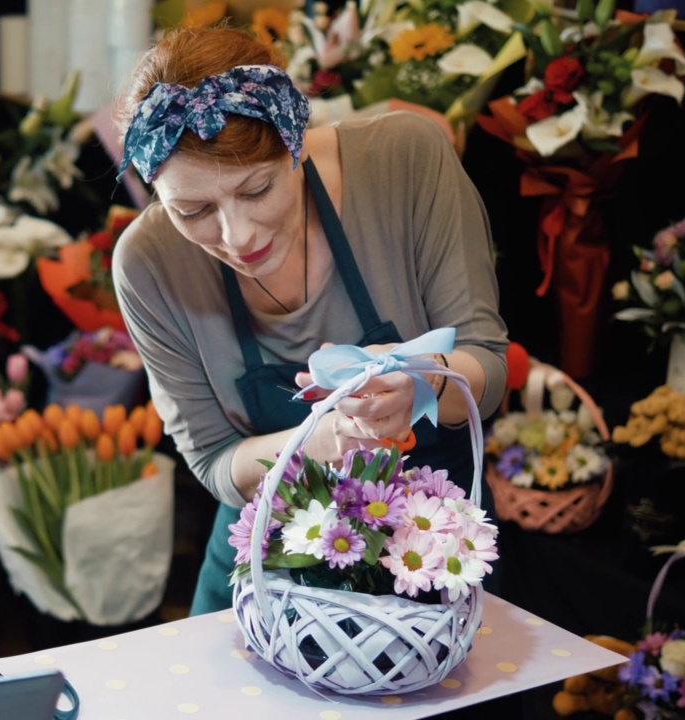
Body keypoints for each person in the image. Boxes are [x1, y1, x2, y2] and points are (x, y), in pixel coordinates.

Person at [111, 26, 510, 616]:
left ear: (295, 141)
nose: (236, 236)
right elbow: (216, 461)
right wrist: (320, 441)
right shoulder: (148, 264)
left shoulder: (404, 160)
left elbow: (489, 368)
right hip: (264, 552)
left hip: (431, 541)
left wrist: (421, 381)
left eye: (258, 188)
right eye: (192, 210)